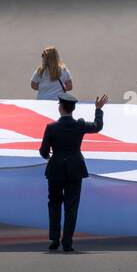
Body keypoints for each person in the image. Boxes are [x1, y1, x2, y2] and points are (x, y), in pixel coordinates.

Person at [38, 93, 107, 252]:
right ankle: (67, 242)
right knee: (71, 206)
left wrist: (48, 156)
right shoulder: (80, 125)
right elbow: (98, 126)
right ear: (73, 109)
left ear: (60, 107)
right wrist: (98, 109)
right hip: (75, 169)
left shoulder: (51, 127)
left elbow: (43, 151)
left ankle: (54, 239)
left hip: (55, 170)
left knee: (54, 204)